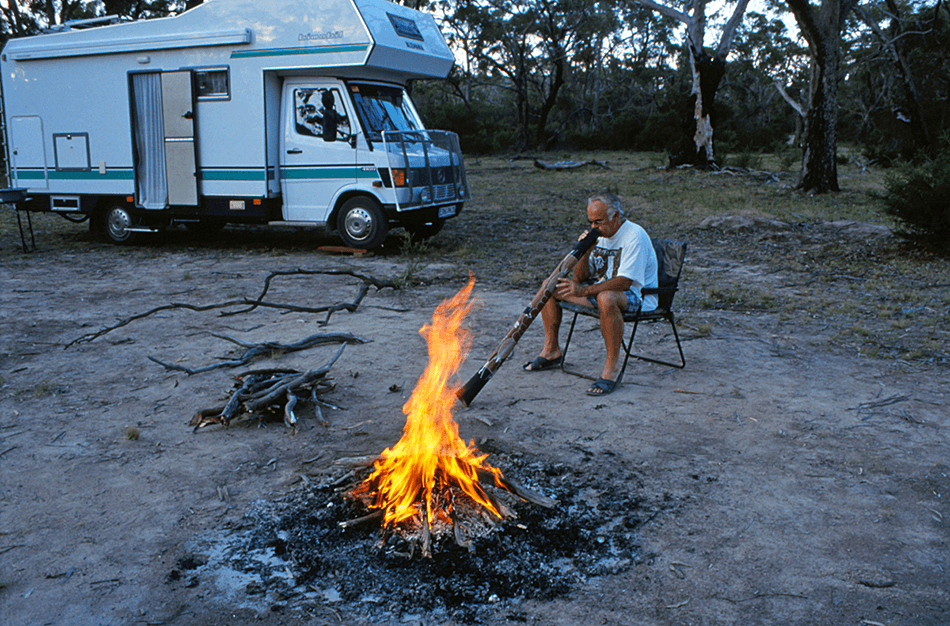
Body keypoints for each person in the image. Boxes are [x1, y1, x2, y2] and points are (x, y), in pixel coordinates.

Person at [523, 191, 658, 396]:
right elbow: (580, 277)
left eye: (598, 222)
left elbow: (624, 282)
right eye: (591, 222)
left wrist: (584, 291)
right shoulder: (601, 236)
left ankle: (611, 369)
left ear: (616, 216)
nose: (594, 227)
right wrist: (585, 251)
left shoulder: (634, 235)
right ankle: (551, 351)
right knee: (550, 286)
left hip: (637, 296)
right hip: (601, 293)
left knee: (606, 297)